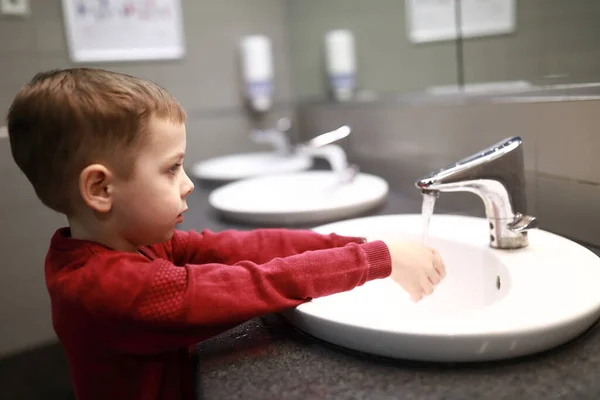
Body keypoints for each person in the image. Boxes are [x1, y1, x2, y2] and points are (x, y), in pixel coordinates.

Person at [6, 68, 446, 400]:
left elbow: (239, 248)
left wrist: (358, 246)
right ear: (101, 189)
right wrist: (374, 261)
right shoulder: (108, 289)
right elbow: (253, 283)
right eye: (172, 168)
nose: (187, 183)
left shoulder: (130, 242)